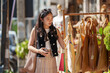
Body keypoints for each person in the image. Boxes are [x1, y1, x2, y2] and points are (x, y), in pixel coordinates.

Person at [28, 9, 65, 73]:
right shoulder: (35, 30)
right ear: (42, 19)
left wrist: (70, 41)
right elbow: (29, 46)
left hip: (51, 58)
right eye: (48, 18)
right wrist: (38, 51)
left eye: (51, 18)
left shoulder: (55, 30)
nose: (50, 20)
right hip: (40, 60)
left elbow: (64, 45)